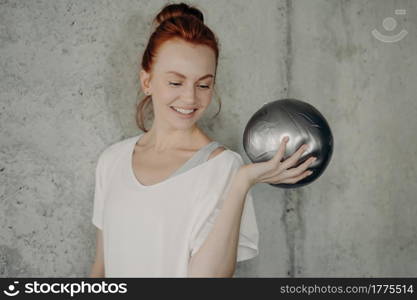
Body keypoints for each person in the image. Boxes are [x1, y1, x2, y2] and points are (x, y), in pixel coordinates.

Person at [89, 2, 316, 278]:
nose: (190, 98)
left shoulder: (224, 168)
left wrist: (242, 182)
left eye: (204, 84)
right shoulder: (111, 161)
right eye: (175, 82)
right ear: (146, 81)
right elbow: (100, 270)